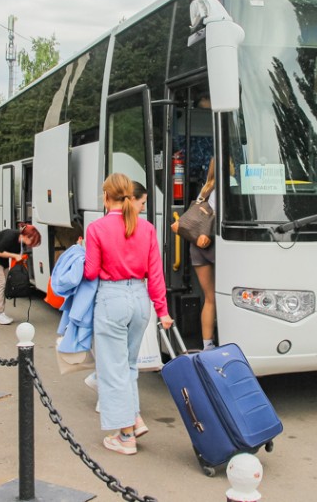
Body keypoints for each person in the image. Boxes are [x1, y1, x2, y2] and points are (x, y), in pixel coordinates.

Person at [82, 173, 173, 456]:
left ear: (107, 197)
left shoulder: (97, 228)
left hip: (112, 298)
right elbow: (156, 274)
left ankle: (124, 436)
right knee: (129, 367)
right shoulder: (145, 228)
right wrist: (163, 311)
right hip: (140, 300)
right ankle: (133, 418)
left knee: (112, 371)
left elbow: (91, 272)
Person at [171, 157, 217, 351]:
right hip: (213, 244)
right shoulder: (226, 186)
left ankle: (207, 345)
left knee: (210, 298)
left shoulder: (205, 189)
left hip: (196, 248)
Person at [0, 224, 42, 325]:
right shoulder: (10, 235)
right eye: (32, 241)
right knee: (0, 284)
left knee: (4, 284)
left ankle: (0, 313)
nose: (32, 245)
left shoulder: (21, 242)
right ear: (27, 236)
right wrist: (15, 256)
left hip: (1, 261)